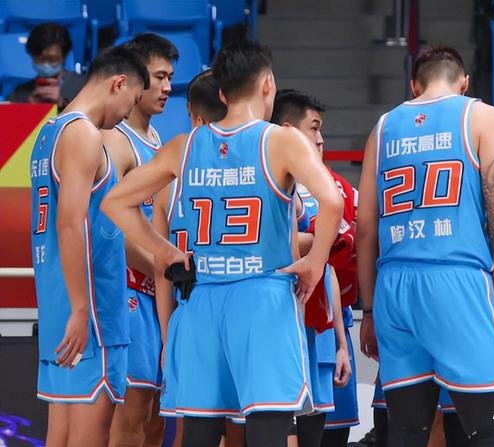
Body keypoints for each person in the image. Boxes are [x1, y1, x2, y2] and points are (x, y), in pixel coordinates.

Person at [100, 41, 344, 447]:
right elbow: (332, 201)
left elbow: (114, 202)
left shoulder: (184, 146)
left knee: (199, 432)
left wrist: (164, 252)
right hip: (263, 298)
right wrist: (316, 261)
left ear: (223, 93)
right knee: (267, 429)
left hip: (201, 302)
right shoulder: (281, 141)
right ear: (267, 85)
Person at [357, 45, 494, 447]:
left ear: (414, 85)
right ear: (464, 83)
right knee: (492, 428)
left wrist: (369, 311)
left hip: (394, 286)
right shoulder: (482, 116)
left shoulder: (383, 127)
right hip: (456, 280)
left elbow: (365, 228)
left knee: (406, 431)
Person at [29, 45, 148, 447]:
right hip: (92, 314)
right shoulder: (84, 134)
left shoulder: (49, 132)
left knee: (60, 437)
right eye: (131, 102)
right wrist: (82, 308)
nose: (125, 116)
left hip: (59, 308)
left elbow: (86, 226)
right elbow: (70, 223)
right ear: (119, 84)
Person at [100, 33, 178, 447]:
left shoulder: (157, 141)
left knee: (156, 421)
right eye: (159, 77)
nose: (167, 87)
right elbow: (109, 224)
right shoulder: (116, 140)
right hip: (130, 292)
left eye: (171, 78)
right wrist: (163, 268)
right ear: (134, 77)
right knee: (131, 416)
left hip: (157, 291)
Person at [271, 89, 356, 447]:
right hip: (279, 327)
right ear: (288, 130)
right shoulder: (271, 184)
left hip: (318, 333)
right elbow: (281, 247)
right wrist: (319, 240)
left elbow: (328, 268)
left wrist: (341, 343)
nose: (321, 139)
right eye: (314, 128)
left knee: (315, 437)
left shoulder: (326, 189)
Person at [153, 70, 228, 447]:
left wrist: (168, 337)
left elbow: (160, 267)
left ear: (193, 116)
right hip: (245, 305)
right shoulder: (259, 165)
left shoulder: (168, 179)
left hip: (190, 312)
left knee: (191, 429)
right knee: (248, 427)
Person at [8, 22, 84, 109]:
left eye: (52, 59)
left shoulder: (83, 87)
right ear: (32, 56)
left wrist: (62, 104)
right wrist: (28, 108)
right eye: (40, 59)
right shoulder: (20, 93)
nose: (46, 64)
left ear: (64, 56)